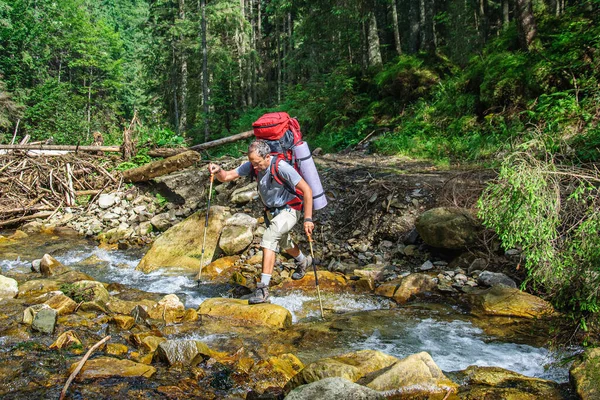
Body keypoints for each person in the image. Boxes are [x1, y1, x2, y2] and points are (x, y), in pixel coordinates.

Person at [207, 140, 314, 304]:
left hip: (290, 209)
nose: (254, 168)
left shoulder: (281, 167)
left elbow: (307, 190)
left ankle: (263, 289)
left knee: (269, 238)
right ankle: (303, 261)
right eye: (252, 163)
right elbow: (227, 176)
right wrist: (218, 170)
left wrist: (308, 219)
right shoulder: (252, 164)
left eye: (257, 163)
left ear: (267, 156)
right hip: (272, 212)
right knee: (284, 241)